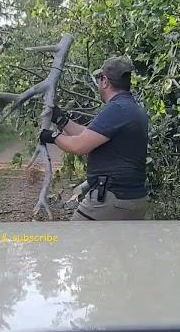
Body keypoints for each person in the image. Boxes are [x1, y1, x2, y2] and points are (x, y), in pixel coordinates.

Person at [38, 56, 149, 220]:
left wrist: (52, 136)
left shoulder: (116, 109)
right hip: (134, 199)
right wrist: (61, 120)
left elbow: (79, 146)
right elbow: (88, 135)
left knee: (74, 242)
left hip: (112, 199)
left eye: (99, 78)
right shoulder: (133, 109)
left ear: (105, 81)